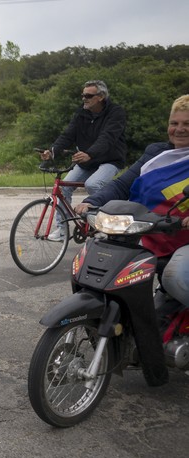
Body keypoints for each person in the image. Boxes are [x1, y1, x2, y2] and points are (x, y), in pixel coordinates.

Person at [75, 95, 189, 309]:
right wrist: (93, 201)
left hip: (184, 239)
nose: (179, 129)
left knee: (177, 276)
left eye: (187, 124)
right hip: (148, 231)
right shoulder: (156, 154)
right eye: (174, 123)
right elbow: (122, 185)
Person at [41, 80, 127, 241]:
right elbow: (68, 135)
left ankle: (103, 226)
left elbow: (108, 137)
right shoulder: (82, 113)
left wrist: (90, 153)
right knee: (65, 187)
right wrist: (52, 152)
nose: (84, 99)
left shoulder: (116, 112)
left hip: (110, 160)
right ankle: (62, 229)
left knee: (93, 184)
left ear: (100, 97)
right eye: (83, 95)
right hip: (87, 161)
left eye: (88, 95)